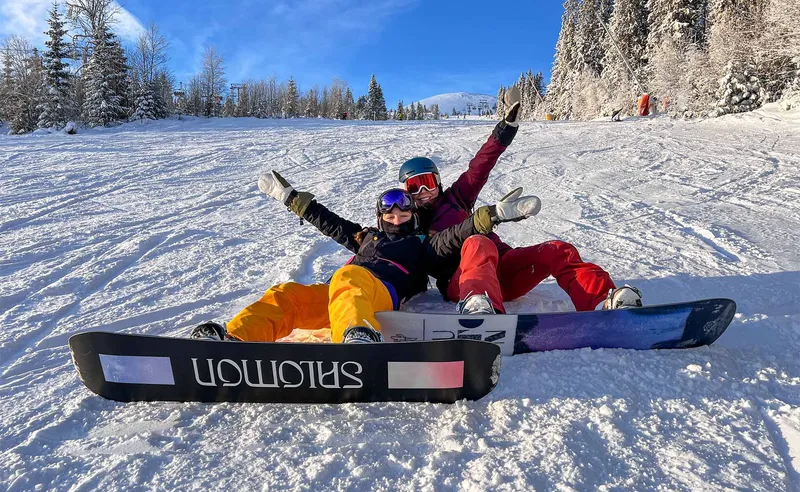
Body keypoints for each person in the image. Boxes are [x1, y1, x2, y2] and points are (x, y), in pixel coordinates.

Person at [191, 172, 541, 343]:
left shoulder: (423, 244)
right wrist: (290, 197)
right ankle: (236, 341)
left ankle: (358, 338)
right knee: (287, 295)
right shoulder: (366, 238)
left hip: (379, 294)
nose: (396, 216)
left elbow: (457, 233)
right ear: (380, 216)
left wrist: (491, 215)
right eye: (388, 212)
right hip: (342, 298)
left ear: (411, 215)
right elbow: (329, 221)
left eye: (403, 211)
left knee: (350, 278)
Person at [398, 86, 642, 315]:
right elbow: (417, 254)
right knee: (477, 243)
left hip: (504, 269)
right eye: (414, 186)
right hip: (462, 282)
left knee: (557, 250)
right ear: (405, 191)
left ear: (438, 183)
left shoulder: (455, 199)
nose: (423, 191)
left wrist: (506, 128)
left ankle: (601, 301)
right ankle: (480, 310)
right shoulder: (408, 224)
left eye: (428, 182)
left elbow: (479, 167)